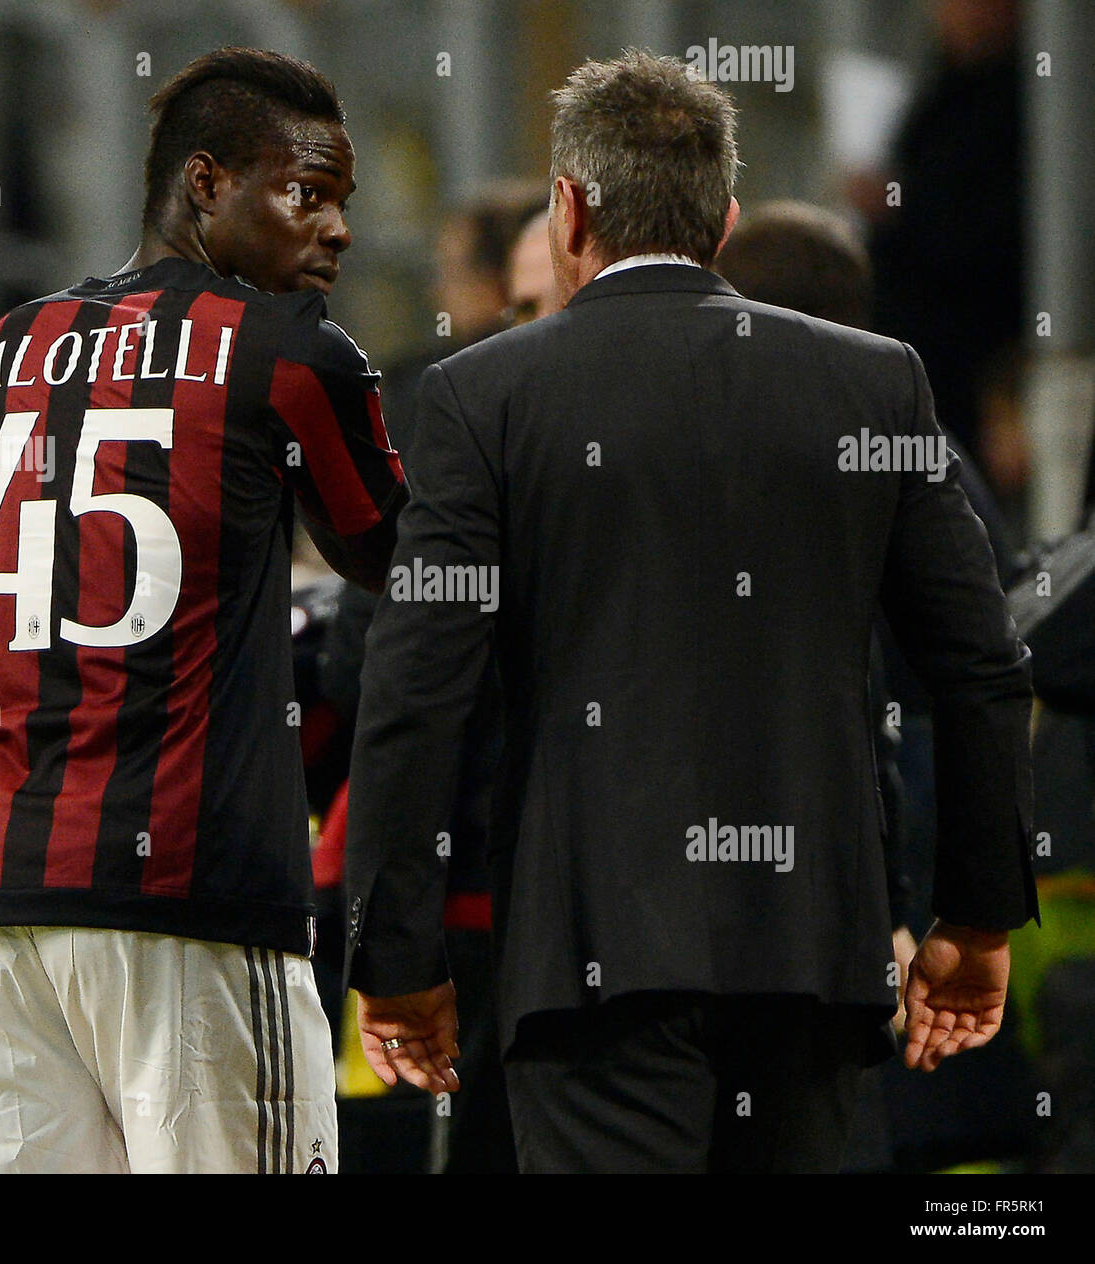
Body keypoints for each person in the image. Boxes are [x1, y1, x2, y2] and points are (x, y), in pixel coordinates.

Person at [342, 50, 1038, 1174]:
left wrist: (398, 955)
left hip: (589, 966)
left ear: (567, 211)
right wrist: (973, 913)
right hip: (817, 959)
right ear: (721, 220)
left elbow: (412, 691)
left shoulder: (484, 395)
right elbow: (981, 666)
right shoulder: (877, 383)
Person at [0, 46, 405, 1174]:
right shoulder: (290, 356)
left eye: (342, 205)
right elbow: (411, 573)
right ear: (207, 183)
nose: (338, 231)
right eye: (307, 193)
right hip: (190, 912)